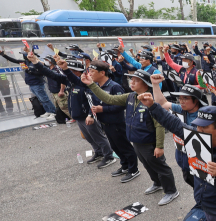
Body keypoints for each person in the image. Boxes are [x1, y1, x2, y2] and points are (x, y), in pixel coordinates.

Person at [82, 69, 180, 205]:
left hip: (149, 142)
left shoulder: (151, 100)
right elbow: (108, 99)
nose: (131, 82)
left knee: (160, 167)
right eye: (131, 79)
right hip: (136, 141)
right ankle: (157, 183)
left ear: (145, 84)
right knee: (147, 165)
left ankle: (171, 191)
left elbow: (159, 126)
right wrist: (92, 84)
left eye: (136, 80)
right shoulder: (130, 96)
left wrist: (159, 146)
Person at [149, 73, 208, 188]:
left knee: (203, 190)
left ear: (196, 101)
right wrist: (155, 84)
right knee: (190, 182)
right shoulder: (182, 109)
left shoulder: (204, 116)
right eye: (180, 98)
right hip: (184, 162)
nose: (181, 101)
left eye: (185, 98)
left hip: (199, 163)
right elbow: (162, 103)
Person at [85, 60, 141, 181]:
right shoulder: (97, 87)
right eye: (89, 71)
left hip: (117, 123)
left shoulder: (114, 86)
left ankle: (133, 170)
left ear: (102, 73)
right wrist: (92, 113)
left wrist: (103, 109)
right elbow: (94, 103)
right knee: (116, 147)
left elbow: (122, 105)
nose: (90, 74)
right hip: (105, 123)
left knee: (125, 147)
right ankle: (125, 166)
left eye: (93, 71)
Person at [0, 49, 56, 119]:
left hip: (37, 84)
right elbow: (13, 60)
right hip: (31, 84)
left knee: (44, 99)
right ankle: (48, 111)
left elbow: (42, 73)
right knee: (41, 99)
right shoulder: (26, 62)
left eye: (25, 54)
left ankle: (53, 112)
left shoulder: (36, 63)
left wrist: (31, 72)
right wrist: (3, 55)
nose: (24, 56)